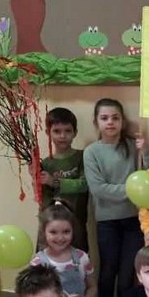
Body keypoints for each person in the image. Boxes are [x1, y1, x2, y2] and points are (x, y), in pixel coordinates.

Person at [84, 98, 149, 297]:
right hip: (107, 222)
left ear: (122, 121)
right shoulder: (92, 152)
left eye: (115, 118)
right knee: (108, 270)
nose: (110, 122)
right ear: (96, 122)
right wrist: (133, 190)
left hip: (133, 219)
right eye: (104, 118)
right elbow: (99, 189)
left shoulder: (132, 146)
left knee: (127, 272)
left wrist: (146, 151)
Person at [39, 107, 90, 252]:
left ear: (75, 132)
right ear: (48, 132)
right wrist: (36, 178)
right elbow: (44, 200)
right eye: (56, 131)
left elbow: (84, 185)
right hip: (53, 228)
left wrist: (55, 182)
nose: (62, 136)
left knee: (79, 261)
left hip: (77, 224)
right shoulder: (46, 164)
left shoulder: (83, 156)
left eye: (68, 131)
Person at [30, 200, 97, 297]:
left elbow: (92, 287)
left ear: (73, 231)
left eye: (66, 232)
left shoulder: (82, 258)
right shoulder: (38, 263)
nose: (60, 238)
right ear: (44, 232)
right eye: (53, 232)